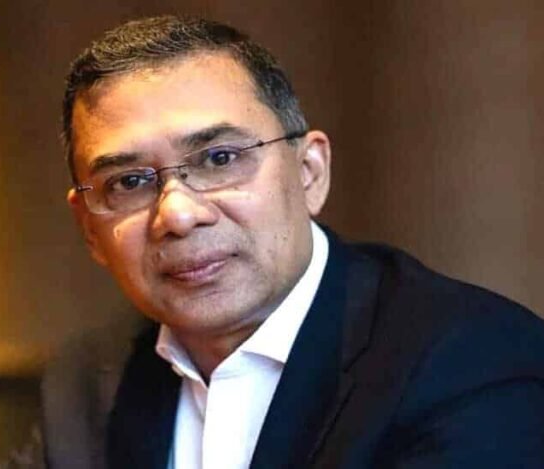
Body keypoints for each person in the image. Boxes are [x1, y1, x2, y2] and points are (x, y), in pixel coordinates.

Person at [37, 15, 544, 469]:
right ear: (89, 229)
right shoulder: (87, 384)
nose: (178, 215)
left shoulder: (471, 361)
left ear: (309, 172)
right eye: (129, 182)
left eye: (219, 159)